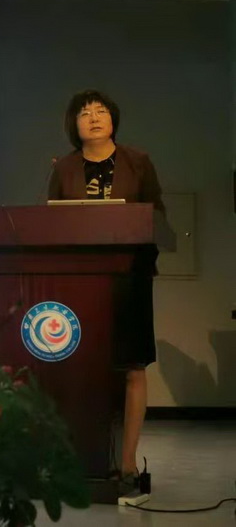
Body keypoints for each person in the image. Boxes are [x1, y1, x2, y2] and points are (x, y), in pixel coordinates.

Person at [48, 90, 165, 491]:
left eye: (101, 111)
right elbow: (50, 225)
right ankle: (79, 457)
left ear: (113, 119)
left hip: (130, 279)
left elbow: (158, 218)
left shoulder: (138, 162)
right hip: (77, 283)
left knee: (132, 367)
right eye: (85, 113)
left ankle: (128, 461)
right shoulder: (63, 168)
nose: (94, 117)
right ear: (73, 124)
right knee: (79, 368)